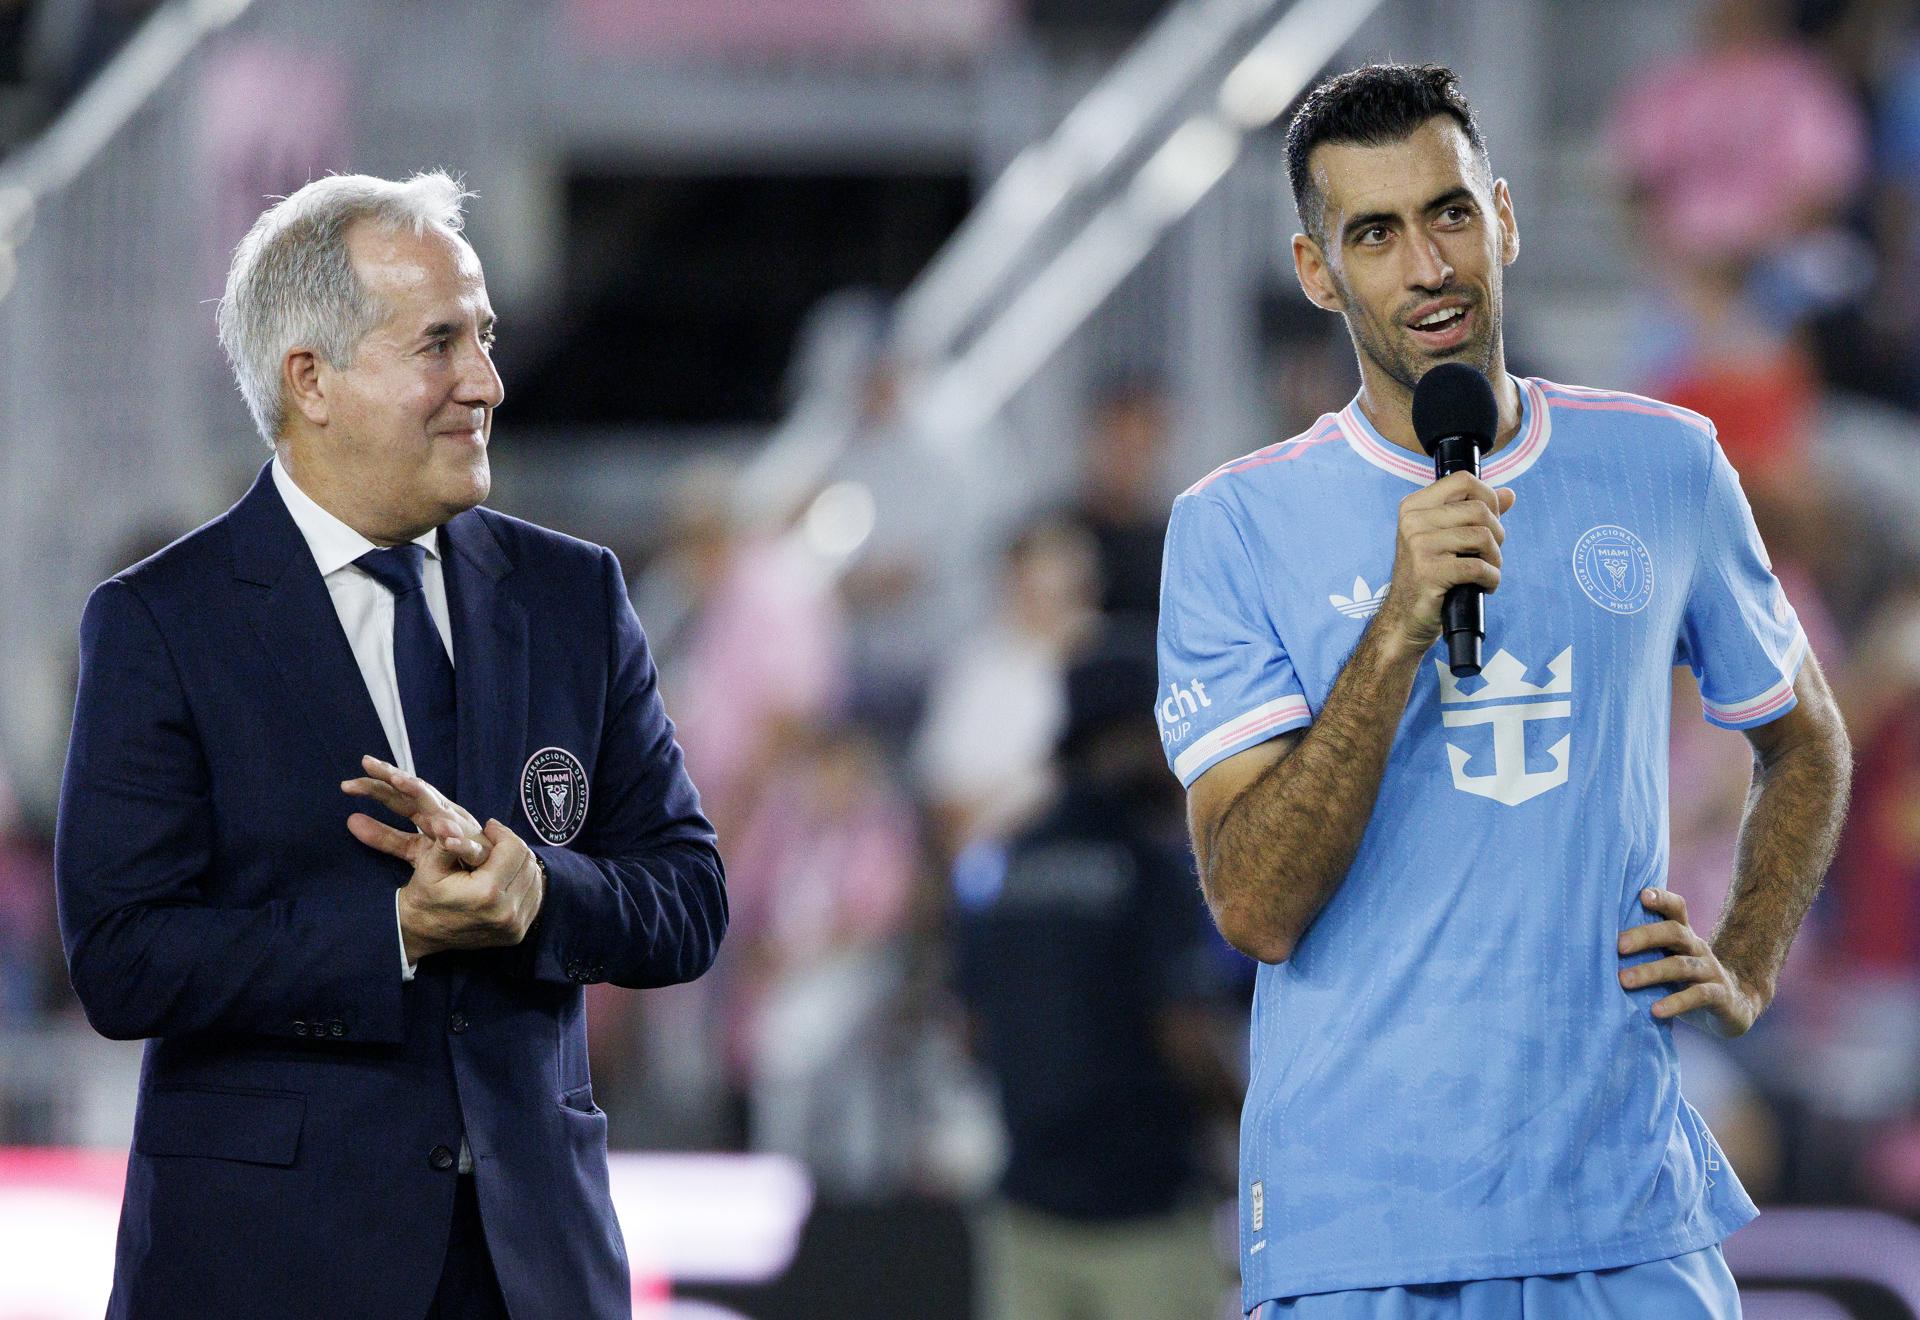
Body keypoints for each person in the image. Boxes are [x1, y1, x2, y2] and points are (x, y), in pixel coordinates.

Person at [1156, 65, 1852, 1319]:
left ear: (1507, 219)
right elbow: (1255, 904)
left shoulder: (1668, 462)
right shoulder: (1233, 526)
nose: (1426, 265)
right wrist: (1397, 624)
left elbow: (1805, 742)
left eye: (1449, 214)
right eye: (1373, 234)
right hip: (1359, 1235)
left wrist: (1747, 958)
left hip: (1626, 1220)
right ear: (1321, 273)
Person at [53, 172, 727, 1319]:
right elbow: (122, 956)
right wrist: (390, 934)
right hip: (269, 1273)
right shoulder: (168, 620)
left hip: (536, 1269)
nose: (487, 382)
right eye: (439, 344)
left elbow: (688, 893)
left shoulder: (572, 594)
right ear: (310, 379)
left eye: (486, 338)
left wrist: (542, 893)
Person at [955, 636, 1243, 1320]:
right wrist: (1248, 1125)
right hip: (1142, 1211)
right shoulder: (1149, 866)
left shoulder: (1005, 863)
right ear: (1132, 736)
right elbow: (1185, 1037)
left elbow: (968, 1029)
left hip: (1026, 1208)